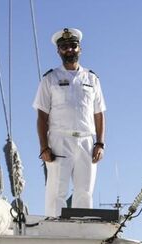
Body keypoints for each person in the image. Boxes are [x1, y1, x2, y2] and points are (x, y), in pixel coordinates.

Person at [34, 28, 106, 218]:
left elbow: (99, 113)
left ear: (79, 49)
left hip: (86, 141)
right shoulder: (50, 79)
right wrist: (43, 147)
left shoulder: (92, 79)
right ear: (58, 51)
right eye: (64, 47)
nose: (69, 50)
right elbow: (42, 116)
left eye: (73, 46)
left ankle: (81, 231)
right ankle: (53, 228)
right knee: (57, 191)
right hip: (59, 140)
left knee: (84, 191)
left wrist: (100, 143)